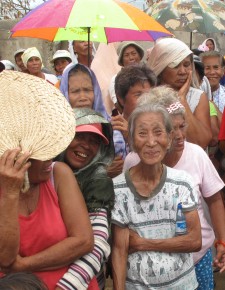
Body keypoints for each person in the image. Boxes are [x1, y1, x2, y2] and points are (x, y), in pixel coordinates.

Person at [124, 86, 225, 289]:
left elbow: (214, 201)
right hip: (154, 265)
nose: (179, 135)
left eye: (182, 126)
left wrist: (222, 241)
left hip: (198, 257)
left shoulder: (196, 154)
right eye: (171, 128)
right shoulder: (133, 162)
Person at [0, 71, 93, 290]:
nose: (51, 159)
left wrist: (24, 264)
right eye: (43, 154)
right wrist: (11, 193)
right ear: (19, 158)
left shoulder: (58, 173)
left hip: (67, 284)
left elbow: (83, 240)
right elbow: (5, 257)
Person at [111, 92, 201, 290]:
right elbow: (119, 250)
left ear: (169, 139)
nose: (151, 142)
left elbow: (194, 241)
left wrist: (143, 243)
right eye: (142, 133)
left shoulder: (182, 183)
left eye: (158, 132)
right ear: (132, 141)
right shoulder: (118, 188)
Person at [56, 108, 115, 290]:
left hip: (83, 278)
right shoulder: (43, 170)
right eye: (80, 137)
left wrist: (67, 285)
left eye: (94, 141)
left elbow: (98, 242)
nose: (86, 146)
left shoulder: (98, 179)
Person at [148, 37, 212, 149]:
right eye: (175, 66)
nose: (182, 71)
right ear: (161, 68)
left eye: (187, 65)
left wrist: (182, 100)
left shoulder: (198, 97)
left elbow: (201, 142)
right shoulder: (148, 98)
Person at [108, 64, 156, 178]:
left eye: (149, 94)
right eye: (138, 94)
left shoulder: (159, 128)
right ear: (120, 98)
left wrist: (131, 137)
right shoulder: (112, 131)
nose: (145, 100)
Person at [109, 41, 144, 108]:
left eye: (134, 54)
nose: (131, 58)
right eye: (126, 55)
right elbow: (118, 105)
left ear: (140, 56)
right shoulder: (116, 79)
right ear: (122, 60)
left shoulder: (148, 75)